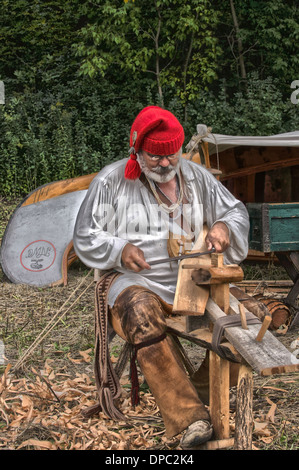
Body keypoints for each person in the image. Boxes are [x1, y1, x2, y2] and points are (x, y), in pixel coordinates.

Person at [73, 106, 250, 449]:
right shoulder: (112, 181)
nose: (166, 164)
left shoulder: (197, 177)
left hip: (194, 281)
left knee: (245, 321)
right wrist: (120, 249)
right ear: (137, 151)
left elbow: (235, 210)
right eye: (155, 157)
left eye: (171, 155)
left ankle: (197, 390)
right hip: (136, 284)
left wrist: (223, 226)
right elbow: (84, 234)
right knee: (140, 312)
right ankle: (190, 419)